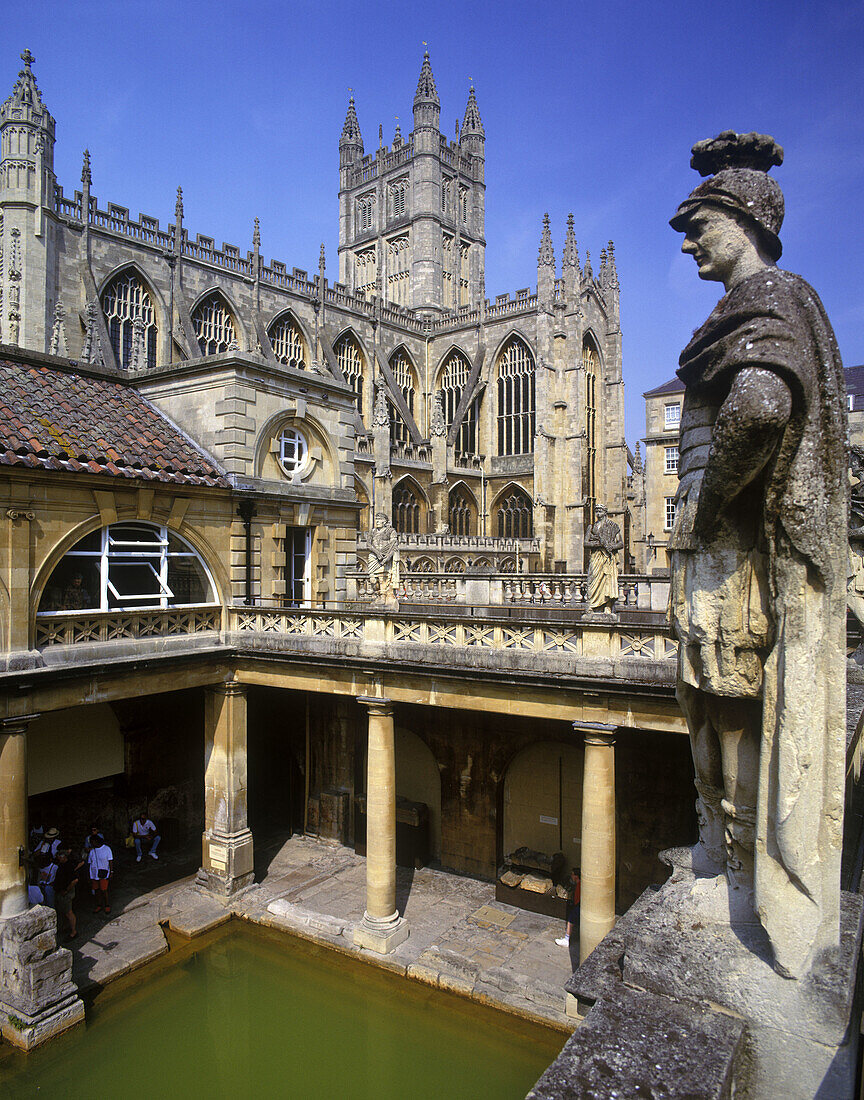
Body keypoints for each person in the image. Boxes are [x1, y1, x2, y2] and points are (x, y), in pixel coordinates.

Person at [668, 131, 847, 978]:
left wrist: (703, 509)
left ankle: (740, 873)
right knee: (706, 709)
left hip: (735, 567)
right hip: (712, 569)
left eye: (698, 222)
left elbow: (757, 411)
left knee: (733, 710)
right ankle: (718, 852)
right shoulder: (755, 310)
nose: (688, 239)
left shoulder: (772, 301)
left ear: (739, 218)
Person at [584, 505, 623, 614]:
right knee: (593, 579)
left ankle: (607, 605)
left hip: (607, 558)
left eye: (600, 510)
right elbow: (585, 543)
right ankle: (592, 604)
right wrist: (598, 543)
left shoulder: (613, 526)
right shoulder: (591, 527)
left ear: (605, 512)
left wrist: (612, 546)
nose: (598, 512)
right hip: (596, 557)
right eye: (596, 510)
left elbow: (621, 543)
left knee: (607, 581)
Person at [366, 512, 399, 602]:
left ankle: (383, 596)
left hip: (386, 557)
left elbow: (394, 546)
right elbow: (368, 545)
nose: (377, 521)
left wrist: (386, 558)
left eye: (379, 520)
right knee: (372, 579)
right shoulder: (372, 531)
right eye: (376, 519)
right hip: (374, 557)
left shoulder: (391, 531)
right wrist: (377, 553)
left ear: (384, 522)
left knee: (383, 577)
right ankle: (377, 594)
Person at [52, 850, 79, 939]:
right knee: (63, 910)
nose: (58, 858)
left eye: (59, 856)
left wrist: (66, 890)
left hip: (66, 893)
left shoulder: (68, 866)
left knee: (68, 912)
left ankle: (73, 932)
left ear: (64, 857)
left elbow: (74, 880)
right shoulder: (62, 865)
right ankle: (66, 926)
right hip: (61, 891)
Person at [87, 835, 113, 914]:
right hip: (94, 874)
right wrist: (89, 875)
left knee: (104, 890)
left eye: (92, 842)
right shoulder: (92, 851)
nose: (91, 844)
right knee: (97, 890)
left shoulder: (107, 849)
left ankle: (107, 905)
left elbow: (110, 861)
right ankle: (99, 905)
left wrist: (111, 872)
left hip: (103, 873)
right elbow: (89, 863)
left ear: (96, 841)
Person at [556, 868, 581, 948]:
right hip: (578, 905)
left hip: (579, 905)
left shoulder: (580, 885)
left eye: (572, 874)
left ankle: (567, 939)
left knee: (570, 921)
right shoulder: (578, 884)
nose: (571, 876)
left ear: (576, 876)